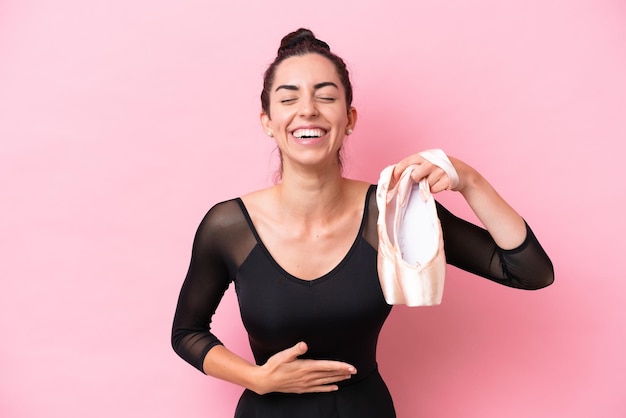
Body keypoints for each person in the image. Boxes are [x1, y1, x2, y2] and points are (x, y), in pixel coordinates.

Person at [171, 28, 554, 418]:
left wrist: (469, 179)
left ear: (349, 118)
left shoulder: (394, 210)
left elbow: (530, 272)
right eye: (289, 98)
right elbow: (186, 332)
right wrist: (257, 378)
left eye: (326, 96)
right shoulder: (228, 226)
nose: (307, 110)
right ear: (268, 121)